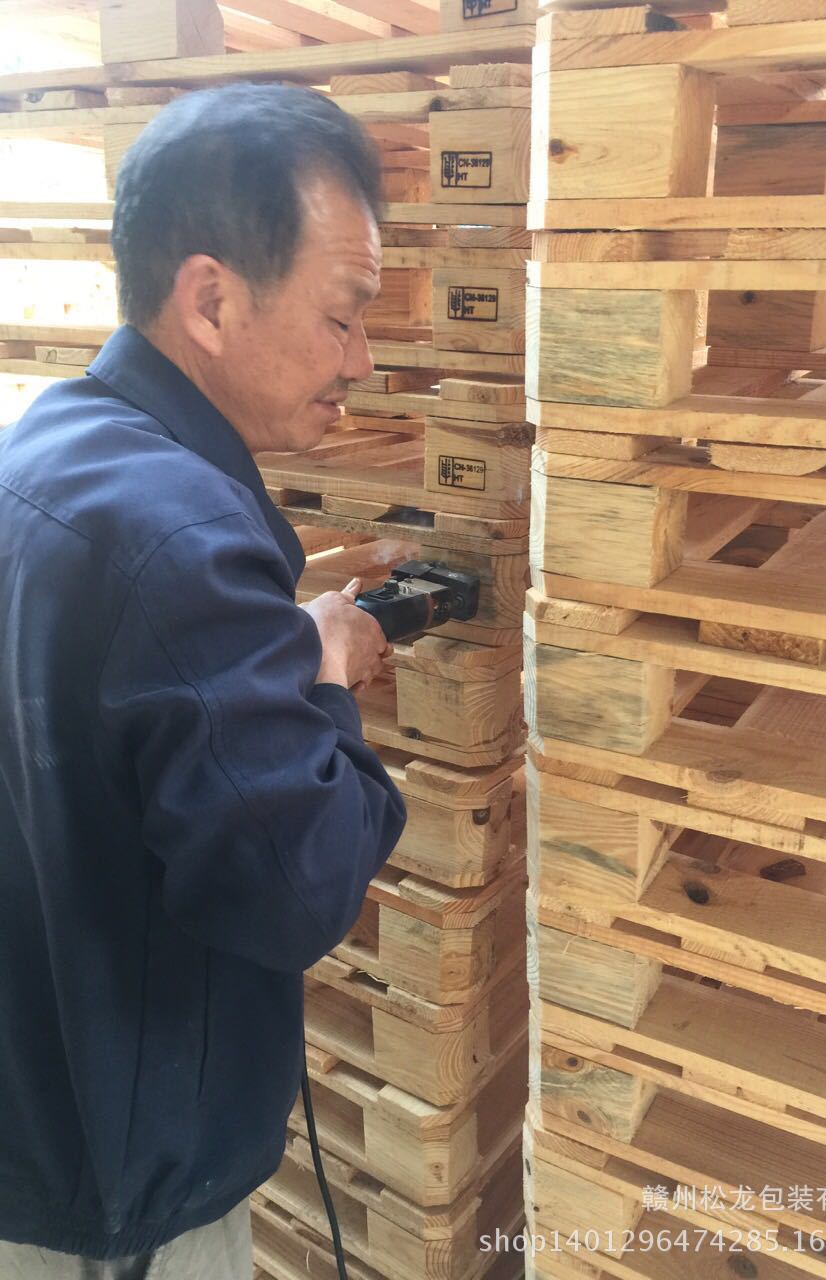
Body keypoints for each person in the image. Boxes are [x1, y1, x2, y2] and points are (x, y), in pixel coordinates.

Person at [0, 84, 407, 1278]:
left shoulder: (42, 448)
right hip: (120, 1199)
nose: (363, 358)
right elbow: (297, 892)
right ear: (212, 299)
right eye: (343, 315)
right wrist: (320, 671)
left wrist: (266, 646)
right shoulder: (185, 536)